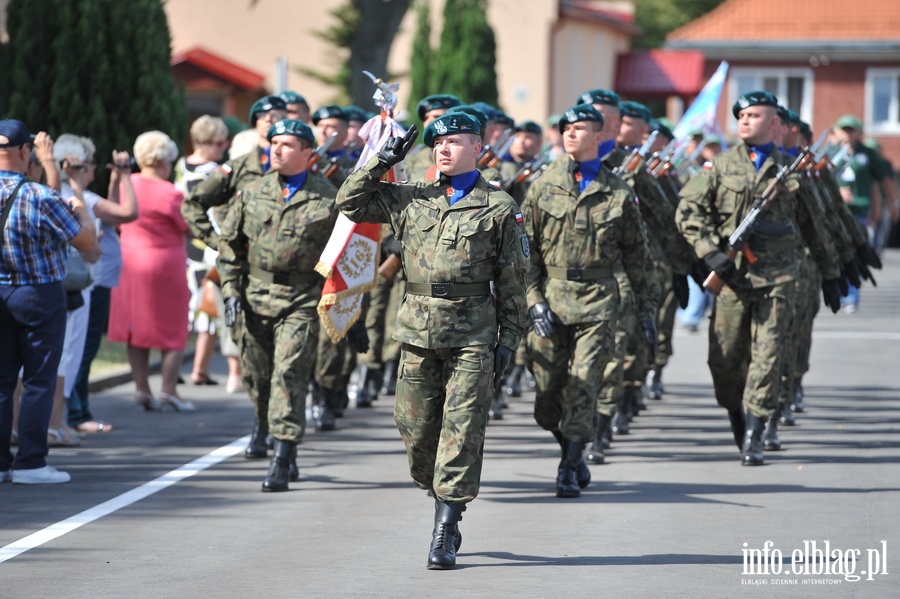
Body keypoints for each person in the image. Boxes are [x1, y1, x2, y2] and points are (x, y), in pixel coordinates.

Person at [336, 112, 529, 570]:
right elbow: (349, 202)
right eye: (438, 143)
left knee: (462, 431)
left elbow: (514, 280)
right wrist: (383, 159)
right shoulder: (411, 198)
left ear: (478, 148)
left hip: (473, 335)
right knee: (417, 432)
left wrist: (509, 340)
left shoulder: (499, 207)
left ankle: (447, 521)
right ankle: (438, 488)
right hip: (418, 331)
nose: (444, 149)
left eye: (456, 142)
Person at [676, 91, 842, 466]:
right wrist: (711, 253)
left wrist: (831, 273)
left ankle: (755, 431)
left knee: (768, 357)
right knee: (725, 360)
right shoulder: (719, 167)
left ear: (774, 123)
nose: (745, 121)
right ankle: (737, 413)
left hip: (781, 278)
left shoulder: (792, 170)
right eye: (741, 115)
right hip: (733, 279)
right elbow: (688, 212)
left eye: (754, 115)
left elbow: (816, 226)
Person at [522, 104, 659, 497]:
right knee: (547, 395)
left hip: (599, 301)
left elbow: (638, 257)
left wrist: (647, 311)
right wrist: (533, 299)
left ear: (600, 137)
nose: (570, 133)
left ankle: (568, 466)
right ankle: (573, 449)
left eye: (580, 128)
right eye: (566, 127)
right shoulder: (543, 185)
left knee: (583, 384)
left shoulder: (619, 191)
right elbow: (524, 251)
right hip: (551, 299)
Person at [218, 119, 338, 492]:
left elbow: (345, 256)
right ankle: (264, 424)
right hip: (254, 297)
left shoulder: (327, 197)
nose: (277, 150)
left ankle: (282, 457)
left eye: (287, 144)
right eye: (273, 143)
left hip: (301, 300)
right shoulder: (252, 193)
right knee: (257, 376)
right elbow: (229, 249)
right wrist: (231, 293)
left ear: (307, 152)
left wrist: (348, 309)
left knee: (289, 373)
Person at [183, 95, 287, 459]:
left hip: (293, 281)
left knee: (289, 365)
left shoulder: (305, 166)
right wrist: (219, 242)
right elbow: (194, 202)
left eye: (281, 117)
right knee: (255, 361)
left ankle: (283, 437)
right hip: (246, 275)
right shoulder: (238, 167)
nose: (274, 122)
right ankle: (261, 424)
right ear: (256, 124)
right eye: (267, 117)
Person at [1, 120, 97, 484]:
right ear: (27, 152)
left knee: (1, 381)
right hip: (37, 293)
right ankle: (31, 463)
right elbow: (85, 242)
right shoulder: (40, 196)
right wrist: (81, 210)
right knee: (39, 380)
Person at [108, 131, 193, 412]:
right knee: (175, 325)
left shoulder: (127, 183)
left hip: (129, 261)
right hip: (164, 263)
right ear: (164, 161)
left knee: (136, 327)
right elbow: (189, 228)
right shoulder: (171, 193)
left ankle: (141, 388)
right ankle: (168, 388)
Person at [174, 115, 242, 392]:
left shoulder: (180, 165)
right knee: (209, 308)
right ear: (203, 142)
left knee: (193, 306)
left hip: (188, 242)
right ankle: (200, 369)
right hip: (209, 245)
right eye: (218, 142)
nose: (223, 147)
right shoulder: (216, 171)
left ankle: (186, 366)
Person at [831, 115, 890, 312]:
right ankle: (838, 290)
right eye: (844, 129)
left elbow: (879, 183)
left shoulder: (867, 154)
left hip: (858, 212)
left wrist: (885, 206)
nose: (847, 134)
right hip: (832, 212)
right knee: (835, 252)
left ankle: (851, 294)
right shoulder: (830, 152)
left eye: (851, 130)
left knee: (855, 254)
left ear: (859, 132)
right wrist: (836, 191)